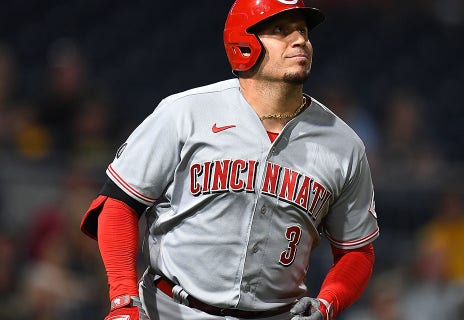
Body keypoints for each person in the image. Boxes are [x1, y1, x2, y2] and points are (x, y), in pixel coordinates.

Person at [79, 1, 379, 320]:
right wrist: (123, 296)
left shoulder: (343, 144)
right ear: (244, 43)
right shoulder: (185, 114)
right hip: (170, 310)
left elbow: (356, 250)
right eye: (280, 30)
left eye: (302, 31)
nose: (300, 40)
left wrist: (328, 301)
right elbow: (118, 204)